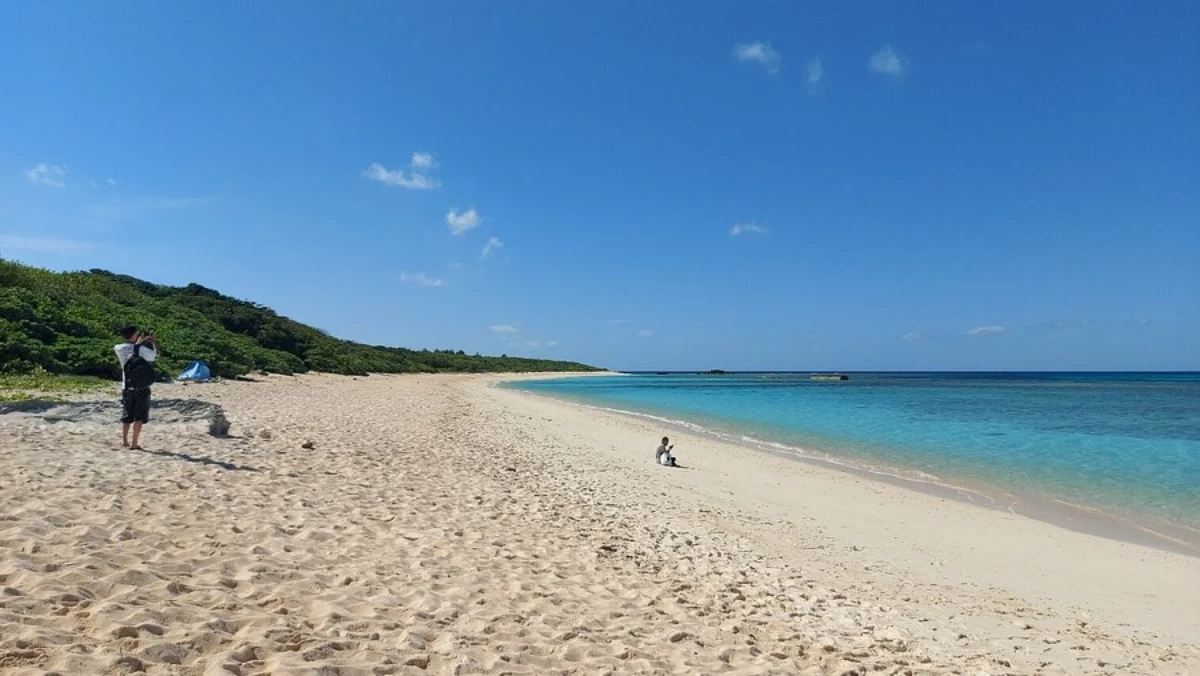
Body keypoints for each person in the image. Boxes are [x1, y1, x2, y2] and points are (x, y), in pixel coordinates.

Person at [114, 325, 159, 450]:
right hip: (141, 386)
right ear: (134, 335)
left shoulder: (118, 348)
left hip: (127, 386)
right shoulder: (143, 350)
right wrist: (151, 343)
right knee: (139, 416)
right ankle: (134, 443)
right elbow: (153, 357)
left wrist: (138, 344)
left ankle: (124, 441)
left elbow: (128, 351)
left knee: (127, 414)